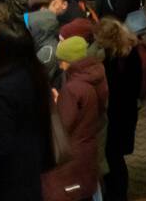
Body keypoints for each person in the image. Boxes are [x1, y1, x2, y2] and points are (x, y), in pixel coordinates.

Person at [0, 24, 57, 201]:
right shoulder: (35, 74)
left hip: (9, 177)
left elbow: (0, 142)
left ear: (4, 47)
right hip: (32, 163)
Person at [42, 35, 109, 201]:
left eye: (62, 60)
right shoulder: (96, 76)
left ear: (70, 60)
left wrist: (56, 104)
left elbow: (63, 124)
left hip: (73, 153)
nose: (60, 64)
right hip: (89, 147)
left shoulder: (73, 88)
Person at [96, 17, 145, 201]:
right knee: (115, 157)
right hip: (125, 113)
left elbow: (117, 88)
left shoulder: (119, 58)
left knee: (114, 158)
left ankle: (117, 195)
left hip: (118, 116)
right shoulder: (130, 52)